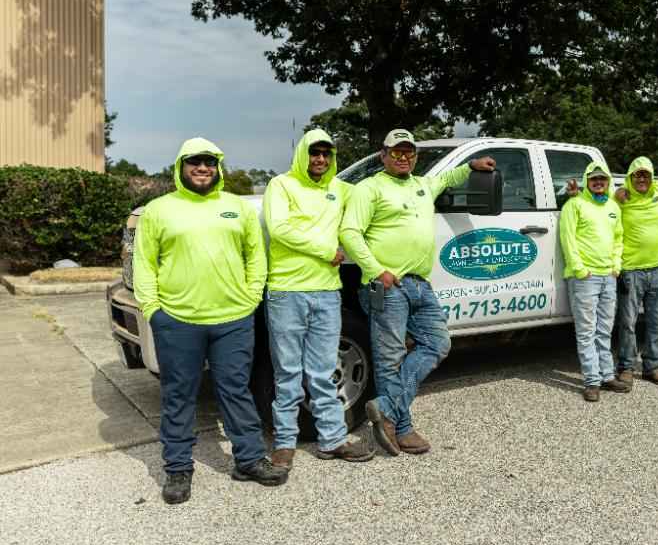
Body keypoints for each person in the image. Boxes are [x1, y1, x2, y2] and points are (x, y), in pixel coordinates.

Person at [133, 138, 287, 505]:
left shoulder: (236, 207)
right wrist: (153, 309)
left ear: (217, 167)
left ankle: (248, 459)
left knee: (235, 389)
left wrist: (251, 298)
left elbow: (256, 255)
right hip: (178, 320)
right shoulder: (159, 210)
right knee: (178, 394)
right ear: (180, 167)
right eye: (194, 162)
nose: (202, 168)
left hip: (233, 319)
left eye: (209, 162)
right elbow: (144, 263)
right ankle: (177, 468)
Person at [340, 129, 495, 455]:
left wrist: (472, 166)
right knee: (390, 359)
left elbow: (448, 176)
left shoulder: (424, 185)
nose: (403, 157)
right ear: (383, 155)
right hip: (386, 284)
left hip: (419, 284)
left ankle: (386, 407)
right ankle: (404, 427)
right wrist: (376, 271)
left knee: (439, 343)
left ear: (415, 156)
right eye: (396, 152)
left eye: (409, 152)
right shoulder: (369, 188)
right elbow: (350, 232)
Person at [263, 129, 374, 471]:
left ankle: (332, 440)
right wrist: (326, 249)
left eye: (326, 154)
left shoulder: (341, 190)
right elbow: (279, 227)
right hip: (286, 292)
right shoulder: (280, 185)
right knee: (287, 373)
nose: (320, 160)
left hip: (327, 293)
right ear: (303, 154)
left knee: (324, 372)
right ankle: (284, 443)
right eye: (314, 153)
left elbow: (376, 196)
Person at [559, 161, 627, 402]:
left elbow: (619, 238)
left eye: (603, 179)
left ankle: (607, 376)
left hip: (608, 276)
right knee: (586, 331)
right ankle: (592, 381)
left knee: (605, 330)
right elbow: (568, 240)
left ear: (608, 181)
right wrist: (579, 269)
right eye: (594, 179)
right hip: (584, 278)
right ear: (587, 181)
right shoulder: (574, 205)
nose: (599, 182)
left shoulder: (612, 207)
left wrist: (616, 266)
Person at [613, 156, 658, 389]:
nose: (642, 179)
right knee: (628, 322)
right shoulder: (621, 197)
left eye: (646, 174)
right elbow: (596, 200)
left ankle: (652, 367)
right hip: (631, 271)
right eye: (637, 174)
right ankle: (626, 367)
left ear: (652, 176)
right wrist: (615, 194)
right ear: (630, 177)